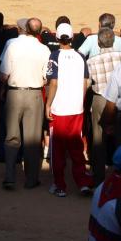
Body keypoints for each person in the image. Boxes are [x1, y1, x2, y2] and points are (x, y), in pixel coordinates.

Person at [0, 18, 51, 190]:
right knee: (32, 139)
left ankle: (9, 177)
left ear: (25, 29)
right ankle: (31, 179)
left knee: (12, 137)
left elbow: (4, 75)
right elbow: (46, 78)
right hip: (35, 94)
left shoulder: (13, 45)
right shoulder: (44, 49)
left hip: (14, 93)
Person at [46, 23, 93, 197]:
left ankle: (60, 185)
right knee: (76, 146)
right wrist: (80, 102)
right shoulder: (80, 56)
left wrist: (48, 104)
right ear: (72, 38)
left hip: (59, 108)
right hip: (76, 108)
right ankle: (82, 182)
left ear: (57, 38)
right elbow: (84, 82)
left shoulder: (55, 56)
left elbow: (53, 82)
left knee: (58, 148)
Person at [86, 27, 121, 185]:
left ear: (98, 43)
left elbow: (88, 84)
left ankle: (98, 178)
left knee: (98, 140)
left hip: (100, 99)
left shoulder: (91, 61)